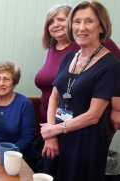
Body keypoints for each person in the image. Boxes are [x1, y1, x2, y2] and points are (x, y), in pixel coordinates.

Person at [40, 1, 120, 180]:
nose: (81, 27)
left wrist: (54, 130)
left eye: (89, 21)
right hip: (58, 135)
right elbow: (55, 97)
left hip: (85, 140)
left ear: (101, 26)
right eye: (76, 21)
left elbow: (93, 116)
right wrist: (51, 132)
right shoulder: (69, 56)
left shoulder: (110, 64)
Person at [0, 61, 37, 171]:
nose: (1, 83)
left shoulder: (24, 103)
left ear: (14, 83)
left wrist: (7, 154)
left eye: (6, 79)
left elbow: (27, 137)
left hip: (18, 154)